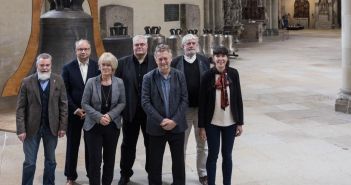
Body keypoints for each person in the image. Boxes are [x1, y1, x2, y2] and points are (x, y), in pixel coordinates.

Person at [16, 53, 68, 185]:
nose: (45, 68)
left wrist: (62, 127)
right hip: (31, 129)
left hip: (52, 128)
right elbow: (20, 108)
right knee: (29, 162)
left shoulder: (58, 80)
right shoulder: (27, 82)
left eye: (47, 65)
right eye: (42, 65)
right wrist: (21, 129)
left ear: (51, 65)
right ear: (37, 65)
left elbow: (63, 105)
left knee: (51, 161)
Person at [141, 44, 188, 185]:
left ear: (171, 58)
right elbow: (145, 102)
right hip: (156, 128)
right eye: (160, 59)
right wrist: (161, 120)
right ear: (155, 60)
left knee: (179, 162)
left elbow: (184, 99)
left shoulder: (179, 75)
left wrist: (174, 121)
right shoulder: (148, 78)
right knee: (155, 163)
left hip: (177, 127)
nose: (163, 62)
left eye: (165, 58)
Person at [198, 46, 244, 185]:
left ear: (227, 58)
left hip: (230, 122)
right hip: (212, 123)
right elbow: (202, 103)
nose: (220, 59)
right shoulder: (206, 76)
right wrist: (202, 127)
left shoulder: (234, 74)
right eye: (217, 56)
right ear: (213, 58)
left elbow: (238, 99)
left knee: (227, 156)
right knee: (213, 155)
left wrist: (240, 122)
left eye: (223, 56)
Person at [115, 35, 157, 185]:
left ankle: (152, 173)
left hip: (151, 114)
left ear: (147, 46)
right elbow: (117, 87)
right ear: (132, 46)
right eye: (136, 45)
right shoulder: (122, 63)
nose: (139, 47)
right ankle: (125, 173)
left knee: (151, 145)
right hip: (130, 112)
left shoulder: (155, 61)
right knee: (128, 145)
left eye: (142, 44)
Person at [81, 52, 126, 185]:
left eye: (109, 65)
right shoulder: (91, 82)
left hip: (112, 126)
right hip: (93, 126)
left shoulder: (119, 83)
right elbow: (84, 103)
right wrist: (99, 117)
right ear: (99, 66)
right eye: (103, 65)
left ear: (113, 68)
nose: (106, 67)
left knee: (109, 159)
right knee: (95, 160)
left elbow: (122, 102)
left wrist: (110, 116)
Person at [171, 33, 210, 185]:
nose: (191, 45)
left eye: (193, 43)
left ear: (197, 45)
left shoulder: (204, 60)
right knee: (182, 145)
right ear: (183, 46)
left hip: (201, 110)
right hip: (184, 111)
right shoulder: (176, 62)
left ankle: (203, 173)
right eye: (188, 43)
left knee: (202, 144)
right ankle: (180, 174)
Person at [62, 39, 100, 185]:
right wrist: (75, 109)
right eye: (80, 49)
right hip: (75, 113)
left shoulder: (97, 66)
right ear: (75, 51)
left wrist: (93, 110)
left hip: (92, 114)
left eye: (86, 49)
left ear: (90, 50)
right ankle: (70, 176)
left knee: (92, 146)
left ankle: (92, 175)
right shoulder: (68, 68)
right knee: (72, 145)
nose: (83, 52)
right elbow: (64, 92)